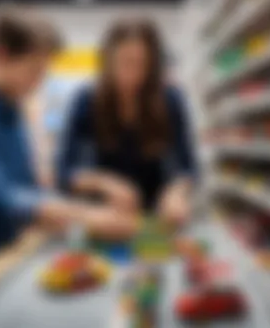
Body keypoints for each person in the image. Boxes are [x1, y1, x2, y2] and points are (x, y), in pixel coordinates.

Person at [0, 12, 137, 288]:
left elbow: (27, 188)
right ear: (0, 56)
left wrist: (66, 213)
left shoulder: (14, 115)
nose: (39, 81)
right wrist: (86, 215)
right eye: (34, 70)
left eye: (44, 72)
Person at [57, 19, 197, 229]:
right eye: (124, 62)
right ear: (107, 61)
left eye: (142, 64)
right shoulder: (86, 99)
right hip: (106, 215)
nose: (132, 75)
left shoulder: (170, 99)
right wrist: (104, 183)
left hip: (156, 217)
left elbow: (189, 167)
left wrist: (176, 192)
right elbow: (64, 172)